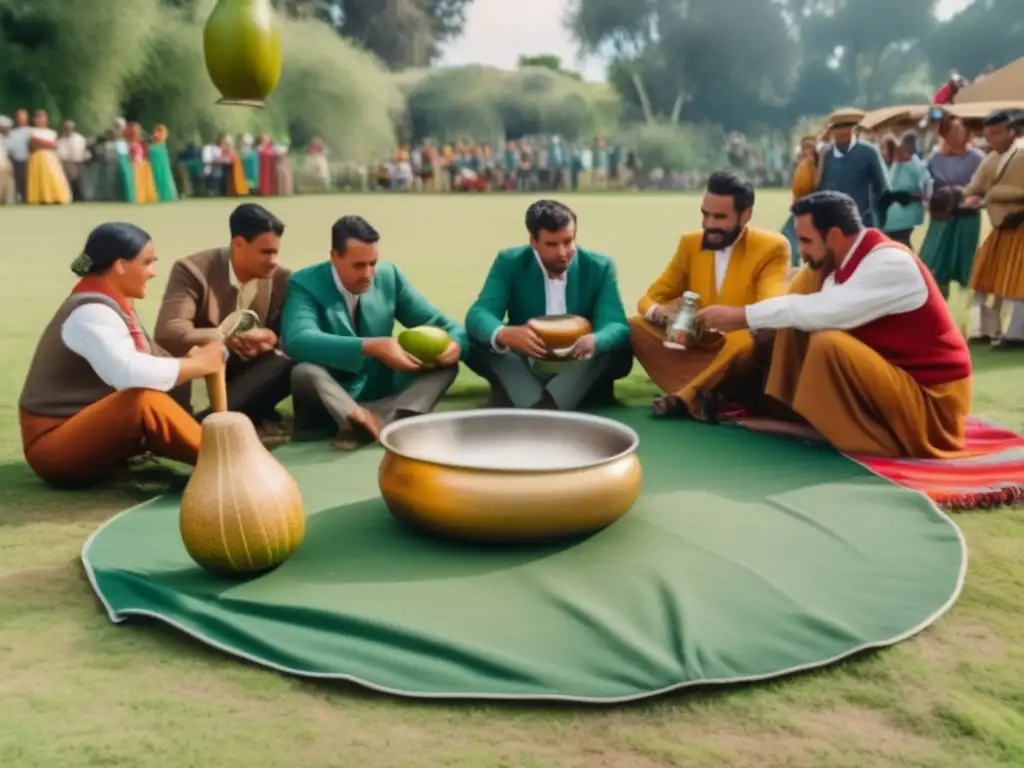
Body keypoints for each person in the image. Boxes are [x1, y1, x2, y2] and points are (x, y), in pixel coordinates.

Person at [685, 191, 972, 459]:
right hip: (896, 385)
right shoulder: (838, 267)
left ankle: (829, 428)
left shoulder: (890, 263)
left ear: (834, 234)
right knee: (803, 292)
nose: (802, 250)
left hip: (934, 405)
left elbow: (825, 313)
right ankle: (787, 405)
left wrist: (742, 316)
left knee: (826, 340)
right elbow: (799, 305)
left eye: (806, 241)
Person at [18, 223, 225, 488]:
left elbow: (148, 362)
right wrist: (197, 364)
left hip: (83, 432)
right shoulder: (91, 312)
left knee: (152, 393)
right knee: (140, 402)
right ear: (119, 265)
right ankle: (228, 461)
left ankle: (222, 453)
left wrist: (193, 360)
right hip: (53, 447)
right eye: (147, 262)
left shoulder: (112, 303)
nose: (153, 272)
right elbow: (128, 374)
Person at [281, 215, 466, 449]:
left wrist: (455, 345)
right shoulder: (304, 283)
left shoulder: (390, 276)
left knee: (447, 365)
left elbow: (439, 322)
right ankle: (362, 419)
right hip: (333, 399)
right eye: (358, 265)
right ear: (334, 257)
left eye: (373, 263)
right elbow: (298, 340)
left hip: (382, 390)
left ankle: (375, 423)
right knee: (304, 372)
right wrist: (372, 347)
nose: (368, 273)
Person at [627, 171, 791, 416]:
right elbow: (648, 299)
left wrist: (730, 317)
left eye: (720, 217)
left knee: (744, 341)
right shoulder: (690, 243)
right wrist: (663, 314)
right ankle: (712, 393)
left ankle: (686, 397)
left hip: (739, 352)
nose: (709, 224)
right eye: (705, 214)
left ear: (746, 215)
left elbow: (769, 308)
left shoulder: (772, 247)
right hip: (696, 346)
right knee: (633, 327)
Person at [464, 199, 632, 410]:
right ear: (533, 242)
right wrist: (505, 333)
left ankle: (547, 404)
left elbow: (616, 324)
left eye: (568, 241)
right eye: (551, 244)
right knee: (480, 336)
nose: (562, 253)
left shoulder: (600, 266)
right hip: (527, 359)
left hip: (579, 360)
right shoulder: (510, 261)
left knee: (612, 346)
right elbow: (480, 313)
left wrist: (595, 341)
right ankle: (535, 400)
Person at [154, 203, 293, 434]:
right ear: (238, 244)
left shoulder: (281, 279)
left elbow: (289, 334)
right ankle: (202, 427)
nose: (273, 260)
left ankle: (207, 425)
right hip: (199, 370)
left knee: (288, 363)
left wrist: (270, 336)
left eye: (275, 252)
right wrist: (225, 338)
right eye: (265, 252)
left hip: (247, 373)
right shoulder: (192, 270)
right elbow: (169, 331)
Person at [961, 109, 1024, 348]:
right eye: (987, 134)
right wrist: (958, 198)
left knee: (1019, 282)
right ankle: (985, 330)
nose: (991, 139)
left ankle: (1017, 334)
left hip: (1020, 225)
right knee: (985, 278)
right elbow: (975, 186)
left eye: (996, 133)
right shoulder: (992, 158)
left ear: (1012, 131)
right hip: (1001, 227)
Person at [919, 118, 985, 298]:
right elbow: (926, 185)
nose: (957, 134)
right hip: (942, 216)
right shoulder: (935, 159)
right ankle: (940, 301)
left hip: (966, 216)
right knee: (936, 260)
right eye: (952, 130)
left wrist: (973, 199)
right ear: (944, 134)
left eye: (960, 129)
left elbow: (985, 187)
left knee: (963, 260)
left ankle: (972, 303)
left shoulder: (977, 158)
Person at [815, 108, 890, 228]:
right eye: (838, 128)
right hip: (831, 224)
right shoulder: (824, 155)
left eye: (848, 127)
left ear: (854, 128)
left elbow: (881, 188)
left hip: (863, 222)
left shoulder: (869, 152)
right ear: (831, 130)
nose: (843, 131)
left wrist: (876, 218)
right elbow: (818, 188)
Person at [882, 132, 931, 247]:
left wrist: (908, 196)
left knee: (899, 243)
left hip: (905, 213)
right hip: (892, 215)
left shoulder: (914, 164)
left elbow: (926, 187)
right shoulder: (895, 165)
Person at [781, 136, 819, 267]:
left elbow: (805, 187)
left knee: (789, 240)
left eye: (807, 148)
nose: (803, 151)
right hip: (800, 210)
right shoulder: (806, 166)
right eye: (803, 147)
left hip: (805, 211)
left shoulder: (809, 167)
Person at [25, 109, 71, 206]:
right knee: (40, 178)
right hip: (37, 158)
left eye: (42, 118)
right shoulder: (32, 131)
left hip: (50, 158)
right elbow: (32, 144)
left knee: (53, 177)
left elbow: (54, 145)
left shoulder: (51, 132)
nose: (40, 120)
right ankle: (41, 198)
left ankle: (56, 197)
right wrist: (46, 144)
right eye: (38, 118)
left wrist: (42, 143)